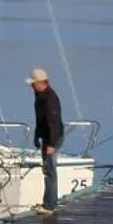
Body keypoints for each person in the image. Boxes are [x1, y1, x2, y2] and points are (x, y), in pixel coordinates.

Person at [29, 67, 64, 213]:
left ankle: (50, 205)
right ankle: (47, 202)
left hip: (52, 138)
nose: (31, 86)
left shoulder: (50, 98)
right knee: (47, 170)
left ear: (42, 82)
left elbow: (53, 122)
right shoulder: (40, 95)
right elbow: (40, 120)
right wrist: (37, 135)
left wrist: (52, 144)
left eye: (33, 83)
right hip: (45, 137)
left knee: (50, 171)